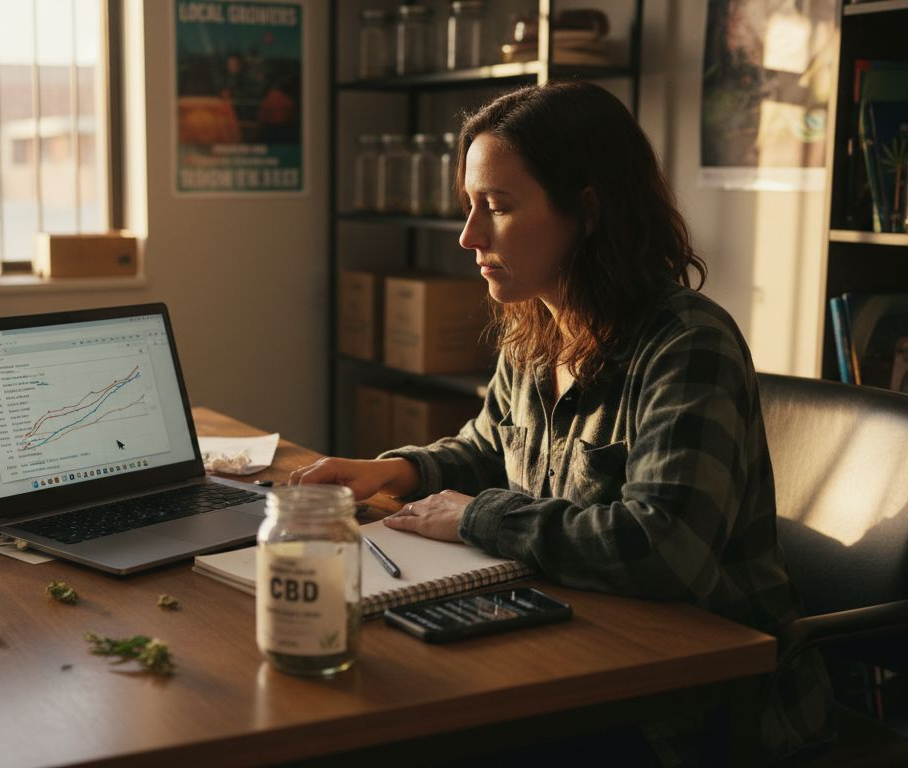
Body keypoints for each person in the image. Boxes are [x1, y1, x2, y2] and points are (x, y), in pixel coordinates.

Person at [291, 81, 833, 764]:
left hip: (702, 706)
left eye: (497, 206)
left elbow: (665, 551)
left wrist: (473, 518)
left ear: (588, 209)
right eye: (469, 206)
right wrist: (395, 470)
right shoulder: (534, 328)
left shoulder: (687, 343)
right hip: (576, 647)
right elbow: (492, 447)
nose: (469, 235)